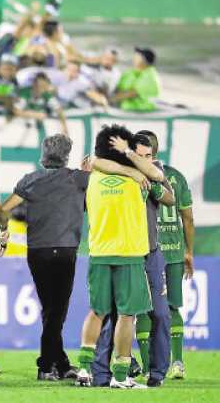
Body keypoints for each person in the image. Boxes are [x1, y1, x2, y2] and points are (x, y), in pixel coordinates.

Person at [0, 134, 90, 381]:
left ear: (43, 154)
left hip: (37, 251)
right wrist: (88, 172)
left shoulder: (30, 180)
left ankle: (60, 364)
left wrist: (3, 233)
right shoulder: (79, 179)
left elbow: (3, 209)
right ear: (66, 156)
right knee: (56, 311)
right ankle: (46, 366)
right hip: (64, 249)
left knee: (50, 310)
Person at [90, 131, 174, 387]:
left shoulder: (155, 171)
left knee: (161, 314)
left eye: (149, 156)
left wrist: (152, 186)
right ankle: (102, 374)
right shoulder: (115, 170)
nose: (145, 160)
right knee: (113, 315)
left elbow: (171, 199)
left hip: (150, 253)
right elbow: (93, 161)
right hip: (124, 253)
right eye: (140, 155)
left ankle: (157, 373)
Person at [75, 124, 152, 389]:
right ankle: (120, 376)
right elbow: (155, 174)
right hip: (129, 254)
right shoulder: (139, 181)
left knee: (97, 311)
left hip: (99, 252)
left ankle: (84, 368)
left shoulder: (91, 179)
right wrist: (131, 161)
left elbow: (96, 161)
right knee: (127, 316)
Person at [154, 140, 194, 379]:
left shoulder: (138, 176)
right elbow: (187, 218)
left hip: (147, 252)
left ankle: (149, 366)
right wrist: (189, 251)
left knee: (144, 310)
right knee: (173, 306)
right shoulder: (177, 177)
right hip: (175, 251)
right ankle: (177, 362)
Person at [112, 47, 161, 112]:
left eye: (138, 56)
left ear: (144, 60)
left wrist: (110, 100)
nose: (134, 58)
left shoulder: (150, 76)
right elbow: (118, 87)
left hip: (142, 110)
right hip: (125, 107)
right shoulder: (133, 72)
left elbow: (131, 93)